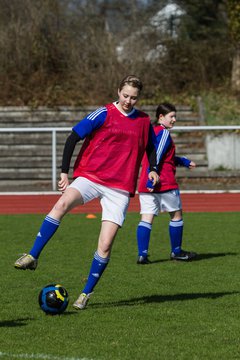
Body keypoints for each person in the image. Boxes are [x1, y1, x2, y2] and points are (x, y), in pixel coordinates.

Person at [14, 75, 159, 310]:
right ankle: (32, 256)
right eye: (125, 95)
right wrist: (64, 172)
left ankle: (86, 293)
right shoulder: (103, 113)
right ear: (118, 91)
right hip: (91, 177)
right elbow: (73, 137)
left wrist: (153, 169)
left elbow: (151, 146)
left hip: (119, 188)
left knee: (105, 245)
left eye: (133, 97)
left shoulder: (143, 120)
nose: (128, 101)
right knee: (61, 205)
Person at [136, 102, 197, 264]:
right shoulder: (163, 133)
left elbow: (161, 156)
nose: (174, 119)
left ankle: (142, 255)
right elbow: (158, 153)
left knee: (146, 218)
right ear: (161, 117)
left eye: (175, 116)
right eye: (172, 116)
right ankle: (176, 252)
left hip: (145, 183)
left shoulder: (150, 133)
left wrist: (182, 161)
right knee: (176, 216)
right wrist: (153, 171)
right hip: (164, 182)